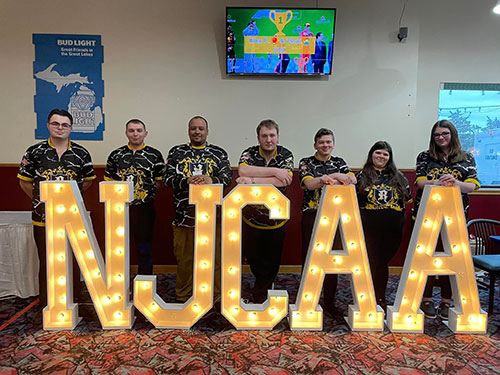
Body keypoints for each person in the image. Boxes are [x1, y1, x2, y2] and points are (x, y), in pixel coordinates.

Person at [18, 109, 96, 315]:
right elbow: (25, 183)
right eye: (55, 124)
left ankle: (74, 299)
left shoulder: (81, 153)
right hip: (43, 219)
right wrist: (41, 201)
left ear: (71, 128)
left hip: (72, 219)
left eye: (64, 125)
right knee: (46, 260)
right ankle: (47, 302)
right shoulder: (34, 152)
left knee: (74, 259)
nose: (60, 128)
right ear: (48, 125)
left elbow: (86, 182)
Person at [414, 120, 480, 319]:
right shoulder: (425, 156)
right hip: (426, 214)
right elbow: (419, 182)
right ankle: (425, 298)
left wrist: (455, 182)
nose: (440, 137)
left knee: (452, 260)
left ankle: (445, 300)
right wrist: (435, 182)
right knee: (424, 257)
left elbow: (473, 185)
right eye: (437, 135)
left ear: (452, 134)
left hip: (455, 216)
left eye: (445, 133)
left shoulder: (466, 158)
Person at [164, 116, 232, 304]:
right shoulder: (177, 152)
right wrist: (186, 180)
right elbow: (167, 178)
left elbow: (227, 178)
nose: (197, 132)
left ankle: (217, 296)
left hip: (213, 218)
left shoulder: (219, 153)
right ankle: (183, 295)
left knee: (216, 259)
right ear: (188, 131)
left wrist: (212, 180)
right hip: (184, 217)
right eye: (193, 128)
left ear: (207, 131)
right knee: (185, 260)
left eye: (201, 128)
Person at [298, 128, 356, 315]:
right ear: (315, 144)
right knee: (309, 259)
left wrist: (331, 178)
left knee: (332, 261)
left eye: (329, 142)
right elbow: (309, 184)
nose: (325, 145)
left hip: (335, 217)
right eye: (322, 142)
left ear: (333, 144)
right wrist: (335, 178)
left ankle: (330, 303)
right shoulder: (306, 162)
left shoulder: (340, 162)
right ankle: (308, 301)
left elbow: (352, 179)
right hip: (312, 215)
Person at [237, 119, 294, 303]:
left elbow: (284, 181)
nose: (268, 139)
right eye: (264, 136)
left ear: (277, 137)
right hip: (251, 218)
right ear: (258, 138)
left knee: (272, 258)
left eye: (272, 135)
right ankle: (263, 285)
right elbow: (243, 171)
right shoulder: (249, 153)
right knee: (253, 255)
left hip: (277, 218)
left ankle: (261, 293)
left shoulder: (286, 154)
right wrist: (275, 172)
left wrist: (253, 180)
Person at [356, 141, 412, 312]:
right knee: (371, 261)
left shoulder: (399, 176)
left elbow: (407, 199)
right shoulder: (360, 176)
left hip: (392, 227)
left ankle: (380, 295)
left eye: (385, 154)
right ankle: (367, 296)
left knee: (382, 261)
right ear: (371, 154)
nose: (381, 157)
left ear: (390, 157)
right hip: (368, 226)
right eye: (378, 153)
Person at [104, 119, 165, 275]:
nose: (135, 134)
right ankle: (118, 282)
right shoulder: (116, 155)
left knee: (144, 247)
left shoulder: (154, 155)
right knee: (117, 247)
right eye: (131, 130)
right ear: (126, 133)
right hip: (119, 209)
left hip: (144, 209)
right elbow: (108, 182)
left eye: (139, 130)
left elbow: (159, 182)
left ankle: (144, 282)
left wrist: (141, 196)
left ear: (145, 133)